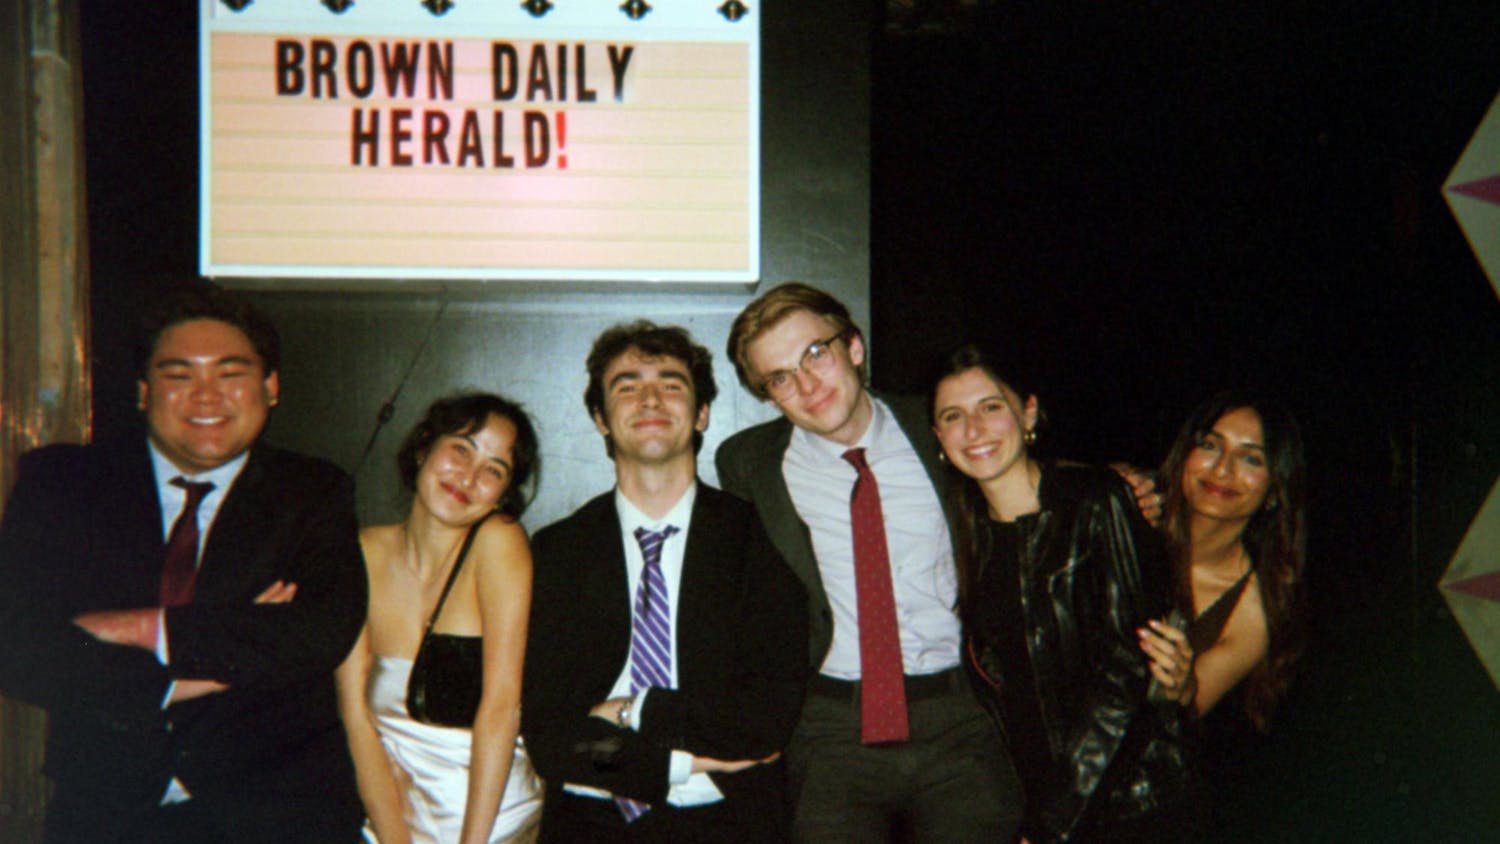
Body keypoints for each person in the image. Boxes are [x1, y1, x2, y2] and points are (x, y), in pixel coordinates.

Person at [0, 282, 368, 842]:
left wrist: (136, 627)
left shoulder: (313, 492)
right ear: (144, 392)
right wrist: (189, 673)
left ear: (270, 388)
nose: (206, 396)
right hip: (105, 813)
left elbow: (317, 632)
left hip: (275, 816)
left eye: (230, 374)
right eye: (179, 375)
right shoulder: (63, 485)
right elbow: (19, 645)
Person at [716, 283, 1026, 842]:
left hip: (959, 717)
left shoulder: (935, 424)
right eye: (781, 378)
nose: (808, 386)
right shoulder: (748, 463)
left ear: (854, 347)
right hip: (832, 727)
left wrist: (1122, 483)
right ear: (769, 397)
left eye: (816, 353)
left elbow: (1014, 467)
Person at [521, 321, 809, 842]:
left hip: (729, 821)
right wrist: (677, 764)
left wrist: (631, 710)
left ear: (701, 414)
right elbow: (551, 740)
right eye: (626, 385)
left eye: (672, 384)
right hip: (589, 823)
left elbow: (766, 719)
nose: (650, 397)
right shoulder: (557, 550)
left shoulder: (755, 536)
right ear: (600, 418)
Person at [929, 342, 1189, 844]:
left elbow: (1127, 675)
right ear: (939, 437)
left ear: (1028, 412)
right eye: (953, 416)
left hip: (1126, 802)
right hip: (1037, 800)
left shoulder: (1096, 501)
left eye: (990, 407)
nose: (974, 430)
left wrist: (1050, 824)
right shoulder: (966, 532)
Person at [335, 393, 545, 843]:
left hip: (494, 824)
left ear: (503, 496)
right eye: (461, 450)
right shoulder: (362, 552)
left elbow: (501, 708)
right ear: (422, 448)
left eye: (494, 470)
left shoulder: (499, 542)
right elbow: (355, 716)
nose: (469, 477)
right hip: (393, 818)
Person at [1138, 390, 1306, 729]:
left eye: (1251, 459)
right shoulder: (1129, 509)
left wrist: (1182, 686)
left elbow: (1187, 712)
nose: (1223, 469)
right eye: (1211, 446)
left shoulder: (1252, 613)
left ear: (1275, 490)